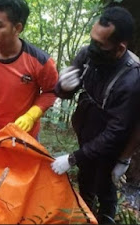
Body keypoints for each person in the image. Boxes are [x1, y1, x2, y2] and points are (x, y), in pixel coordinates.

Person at [50, 6, 140, 224]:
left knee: (106, 186)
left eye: (100, 45)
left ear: (119, 49)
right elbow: (64, 92)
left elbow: (116, 132)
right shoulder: (88, 55)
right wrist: (64, 86)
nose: (92, 48)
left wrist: (72, 158)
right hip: (86, 131)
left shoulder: (132, 79)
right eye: (92, 40)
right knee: (85, 178)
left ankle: (105, 218)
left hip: (111, 146)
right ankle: (84, 214)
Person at [0, 0, 58, 143]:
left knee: (24, 166)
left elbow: (52, 91)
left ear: (17, 28)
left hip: (24, 135)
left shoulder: (40, 61)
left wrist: (31, 115)